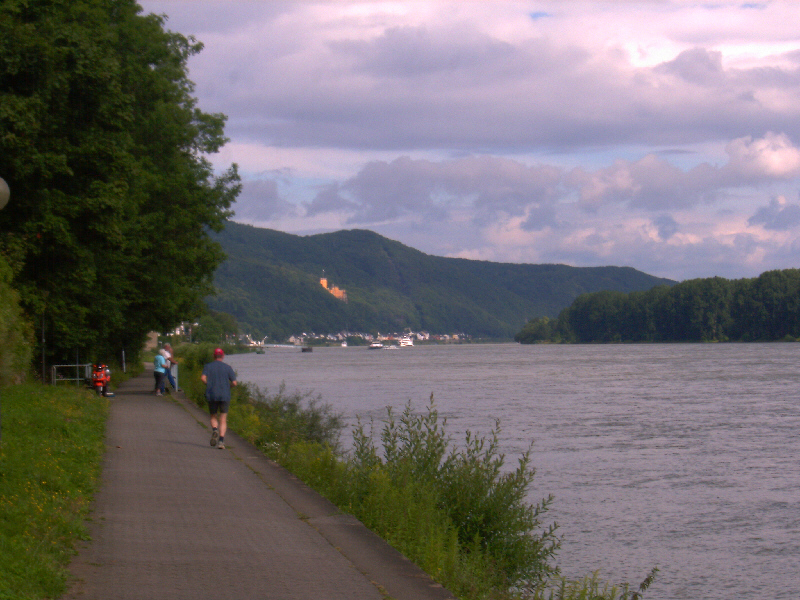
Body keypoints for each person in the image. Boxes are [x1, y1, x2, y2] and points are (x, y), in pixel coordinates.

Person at [200, 348, 237, 449]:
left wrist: (209, 385)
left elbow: (203, 378)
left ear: (214, 356)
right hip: (225, 395)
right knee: (223, 418)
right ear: (223, 356)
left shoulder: (208, 366)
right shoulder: (228, 368)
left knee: (213, 416)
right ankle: (221, 441)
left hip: (212, 394)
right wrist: (228, 387)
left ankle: (215, 429)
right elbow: (234, 383)